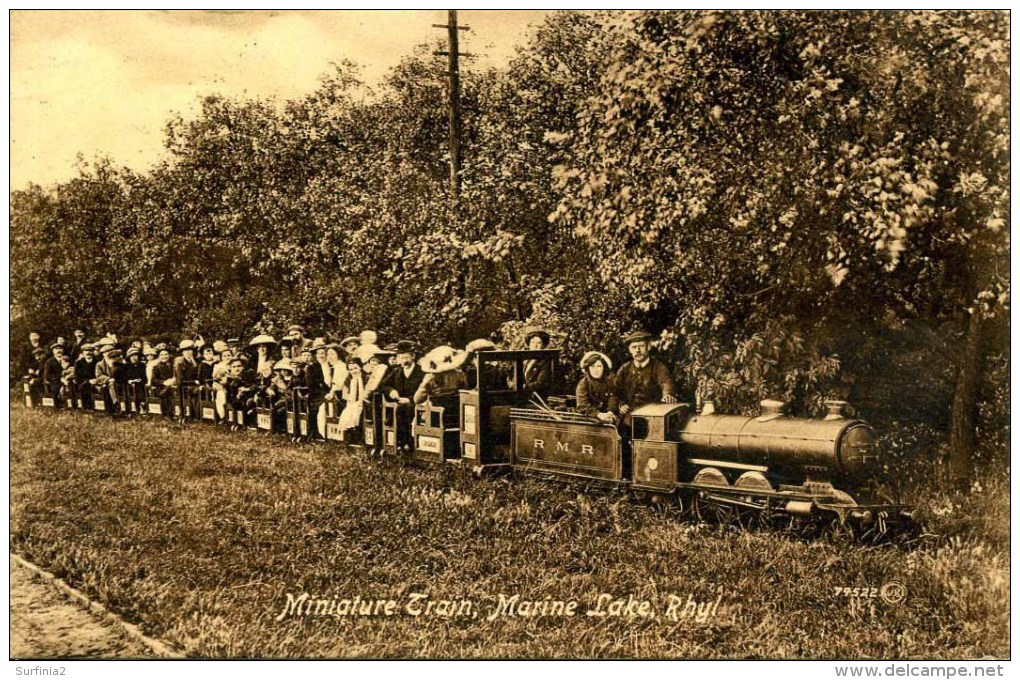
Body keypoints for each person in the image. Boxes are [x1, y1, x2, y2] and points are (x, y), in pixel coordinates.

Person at [614, 329, 677, 425]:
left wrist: (667, 394)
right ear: (630, 350)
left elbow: (666, 382)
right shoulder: (624, 369)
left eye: (641, 346)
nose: (638, 350)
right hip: (629, 416)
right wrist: (621, 404)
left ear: (648, 347)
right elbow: (616, 391)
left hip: (651, 414)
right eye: (634, 347)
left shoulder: (658, 367)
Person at [576, 351, 617, 424]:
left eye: (599, 366)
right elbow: (582, 405)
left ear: (604, 368)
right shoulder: (584, 383)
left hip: (608, 414)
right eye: (592, 366)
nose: (596, 370)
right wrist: (598, 414)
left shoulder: (610, 381)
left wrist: (610, 411)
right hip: (590, 416)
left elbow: (613, 396)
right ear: (588, 368)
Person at [305, 340, 332, 438]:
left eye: (324, 353)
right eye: (319, 353)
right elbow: (311, 386)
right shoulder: (312, 367)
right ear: (316, 355)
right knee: (317, 407)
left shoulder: (331, 365)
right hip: (317, 394)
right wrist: (324, 393)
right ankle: (315, 432)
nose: (322, 355)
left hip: (330, 392)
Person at [336, 356, 367, 439]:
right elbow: (344, 394)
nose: (353, 371)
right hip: (351, 402)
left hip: (364, 402)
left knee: (358, 412)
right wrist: (351, 399)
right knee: (348, 413)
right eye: (351, 369)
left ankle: (359, 436)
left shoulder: (365, 378)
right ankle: (350, 436)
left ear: (360, 367)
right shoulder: (348, 379)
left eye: (355, 368)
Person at [521, 327, 553, 396]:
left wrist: (524, 387)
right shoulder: (526, 360)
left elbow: (541, 382)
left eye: (539, 343)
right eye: (532, 342)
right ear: (529, 345)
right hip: (524, 395)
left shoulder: (545, 361)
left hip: (538, 397)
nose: (535, 345)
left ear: (543, 346)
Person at [149, 347, 176, 418]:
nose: (164, 356)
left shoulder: (174, 365)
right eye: (162, 355)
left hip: (173, 386)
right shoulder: (156, 367)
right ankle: (167, 414)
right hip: (161, 388)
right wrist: (164, 382)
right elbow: (153, 380)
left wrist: (173, 380)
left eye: (166, 354)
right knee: (166, 394)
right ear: (159, 357)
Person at [74, 343, 98, 408]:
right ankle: (87, 407)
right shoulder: (78, 363)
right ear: (83, 352)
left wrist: (96, 380)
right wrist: (88, 381)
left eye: (90, 350)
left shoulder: (97, 361)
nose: (88, 352)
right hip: (84, 383)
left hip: (97, 382)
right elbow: (77, 377)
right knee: (84, 387)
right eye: (86, 350)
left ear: (93, 352)